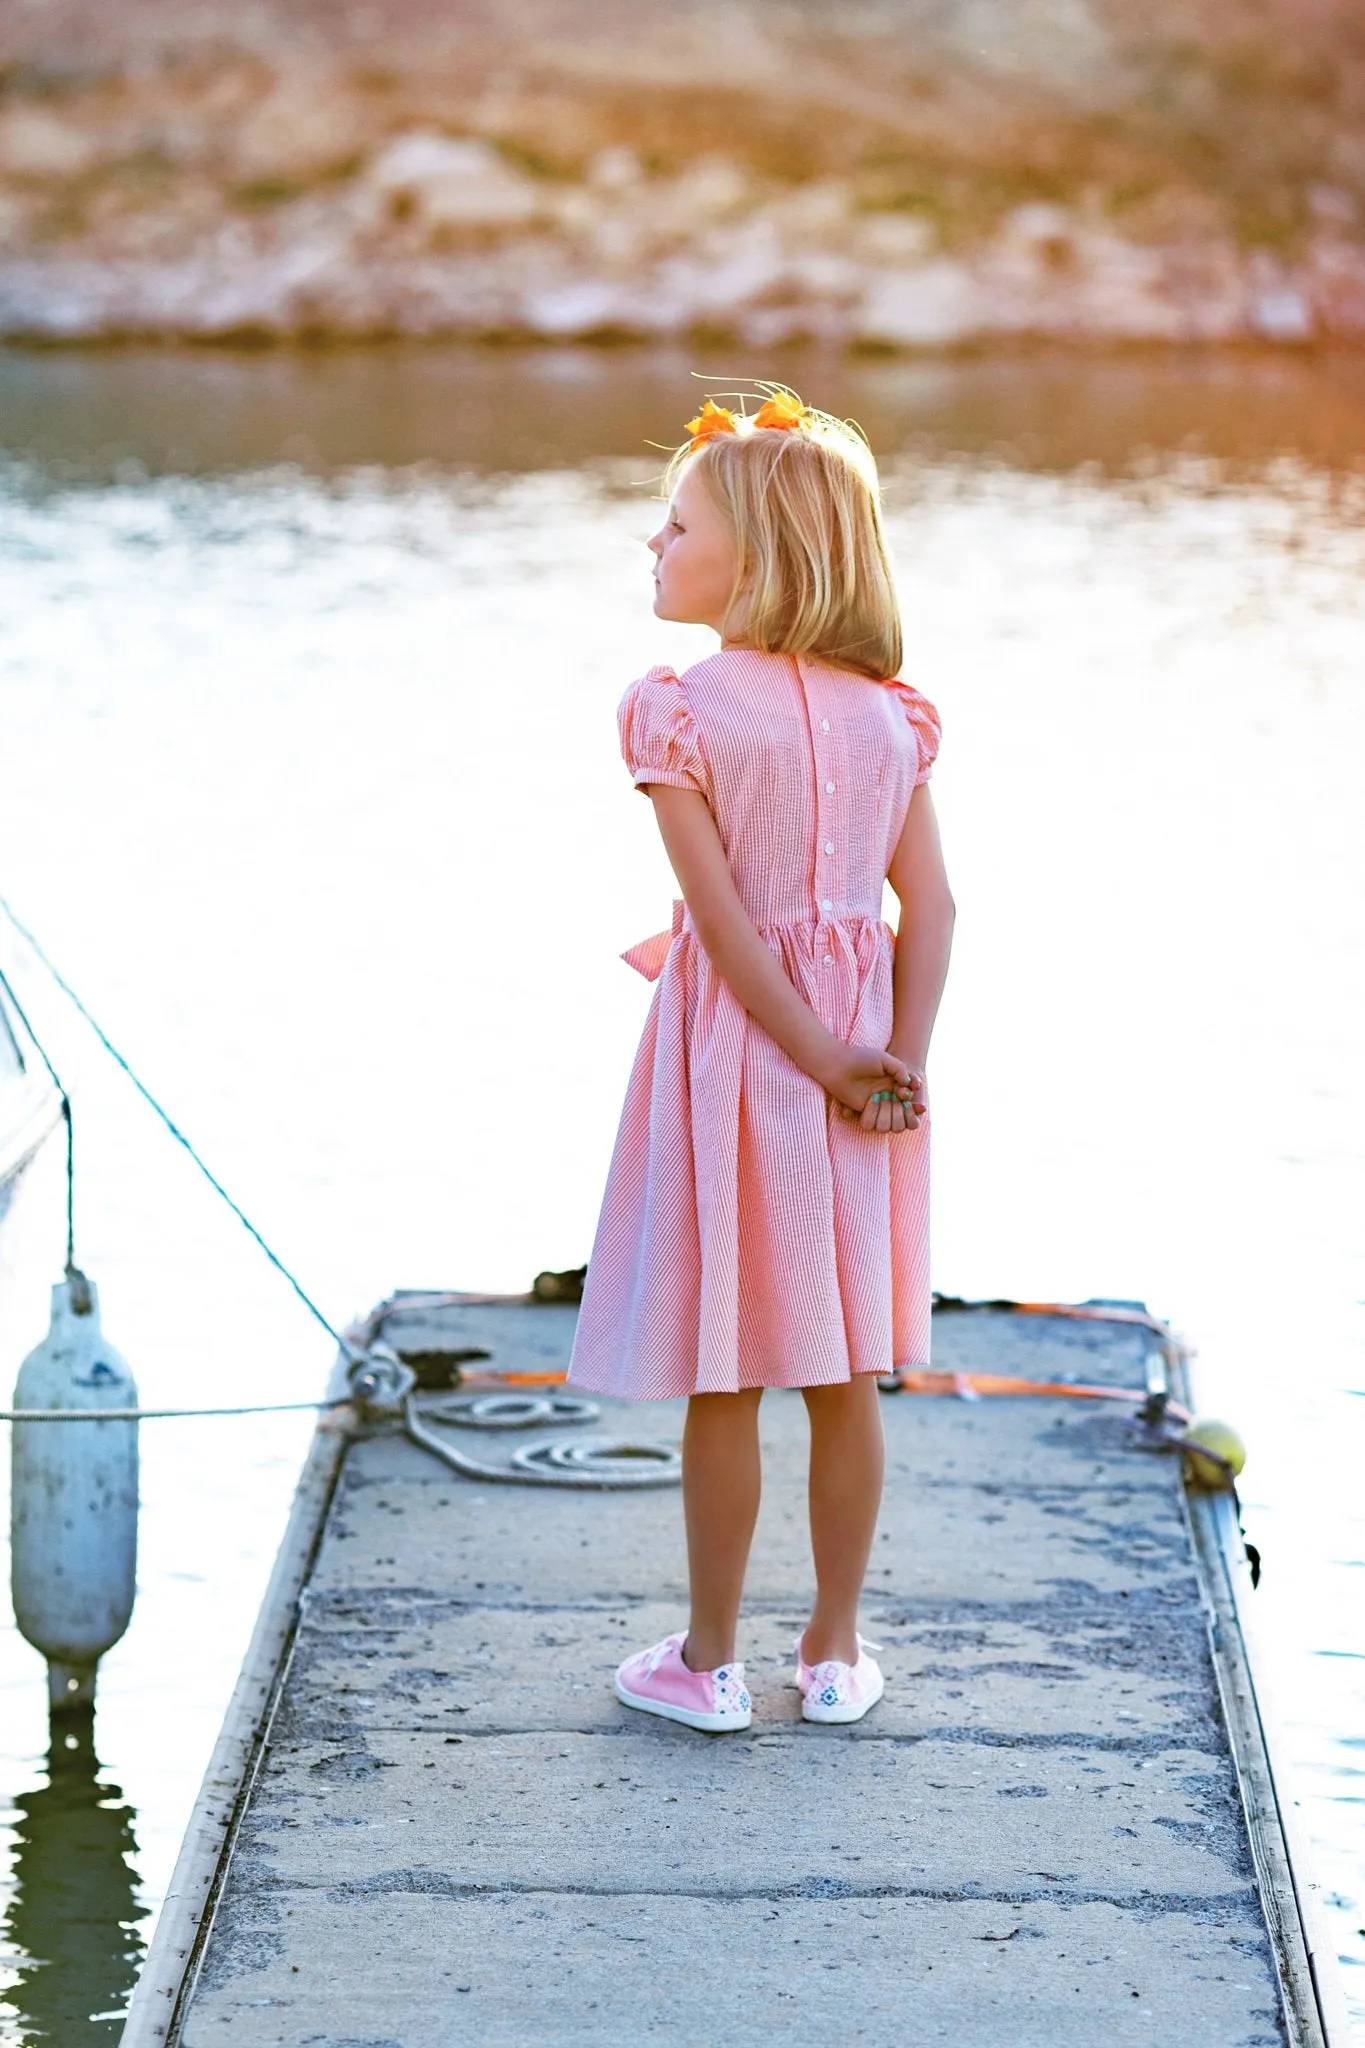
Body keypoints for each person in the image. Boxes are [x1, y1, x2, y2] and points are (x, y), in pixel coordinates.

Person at [567, 388, 955, 1733]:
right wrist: (889, 1057)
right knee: (845, 1367)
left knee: (730, 1367)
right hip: (861, 1059)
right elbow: (936, 910)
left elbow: (725, 930)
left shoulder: (677, 710)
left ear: (760, 557)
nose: (655, 546)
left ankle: (710, 1662)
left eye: (676, 526)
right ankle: (836, 1653)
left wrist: (819, 1056)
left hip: (750, 1055)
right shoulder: (889, 718)